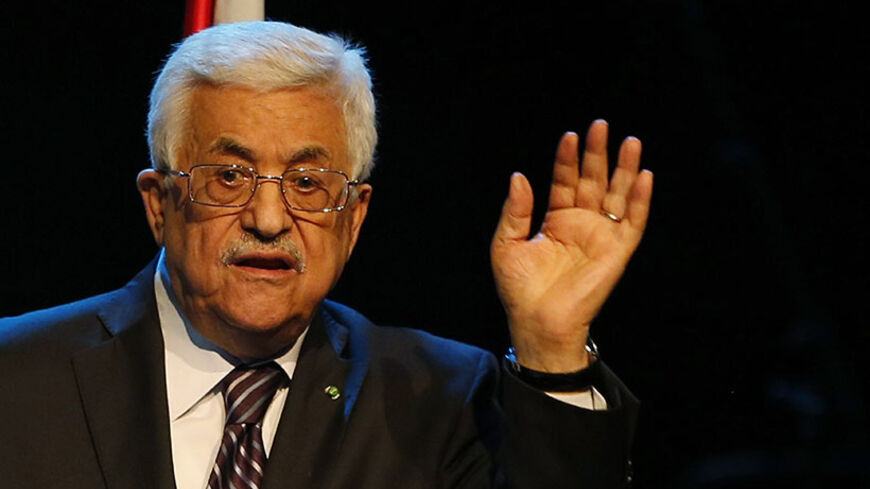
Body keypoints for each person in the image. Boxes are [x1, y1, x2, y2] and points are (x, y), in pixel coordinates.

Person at [0, 21, 652, 489]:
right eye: (229, 176)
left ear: (355, 215)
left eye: (308, 183)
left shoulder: (444, 399)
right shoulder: (17, 379)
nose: (267, 218)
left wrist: (551, 346)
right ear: (159, 204)